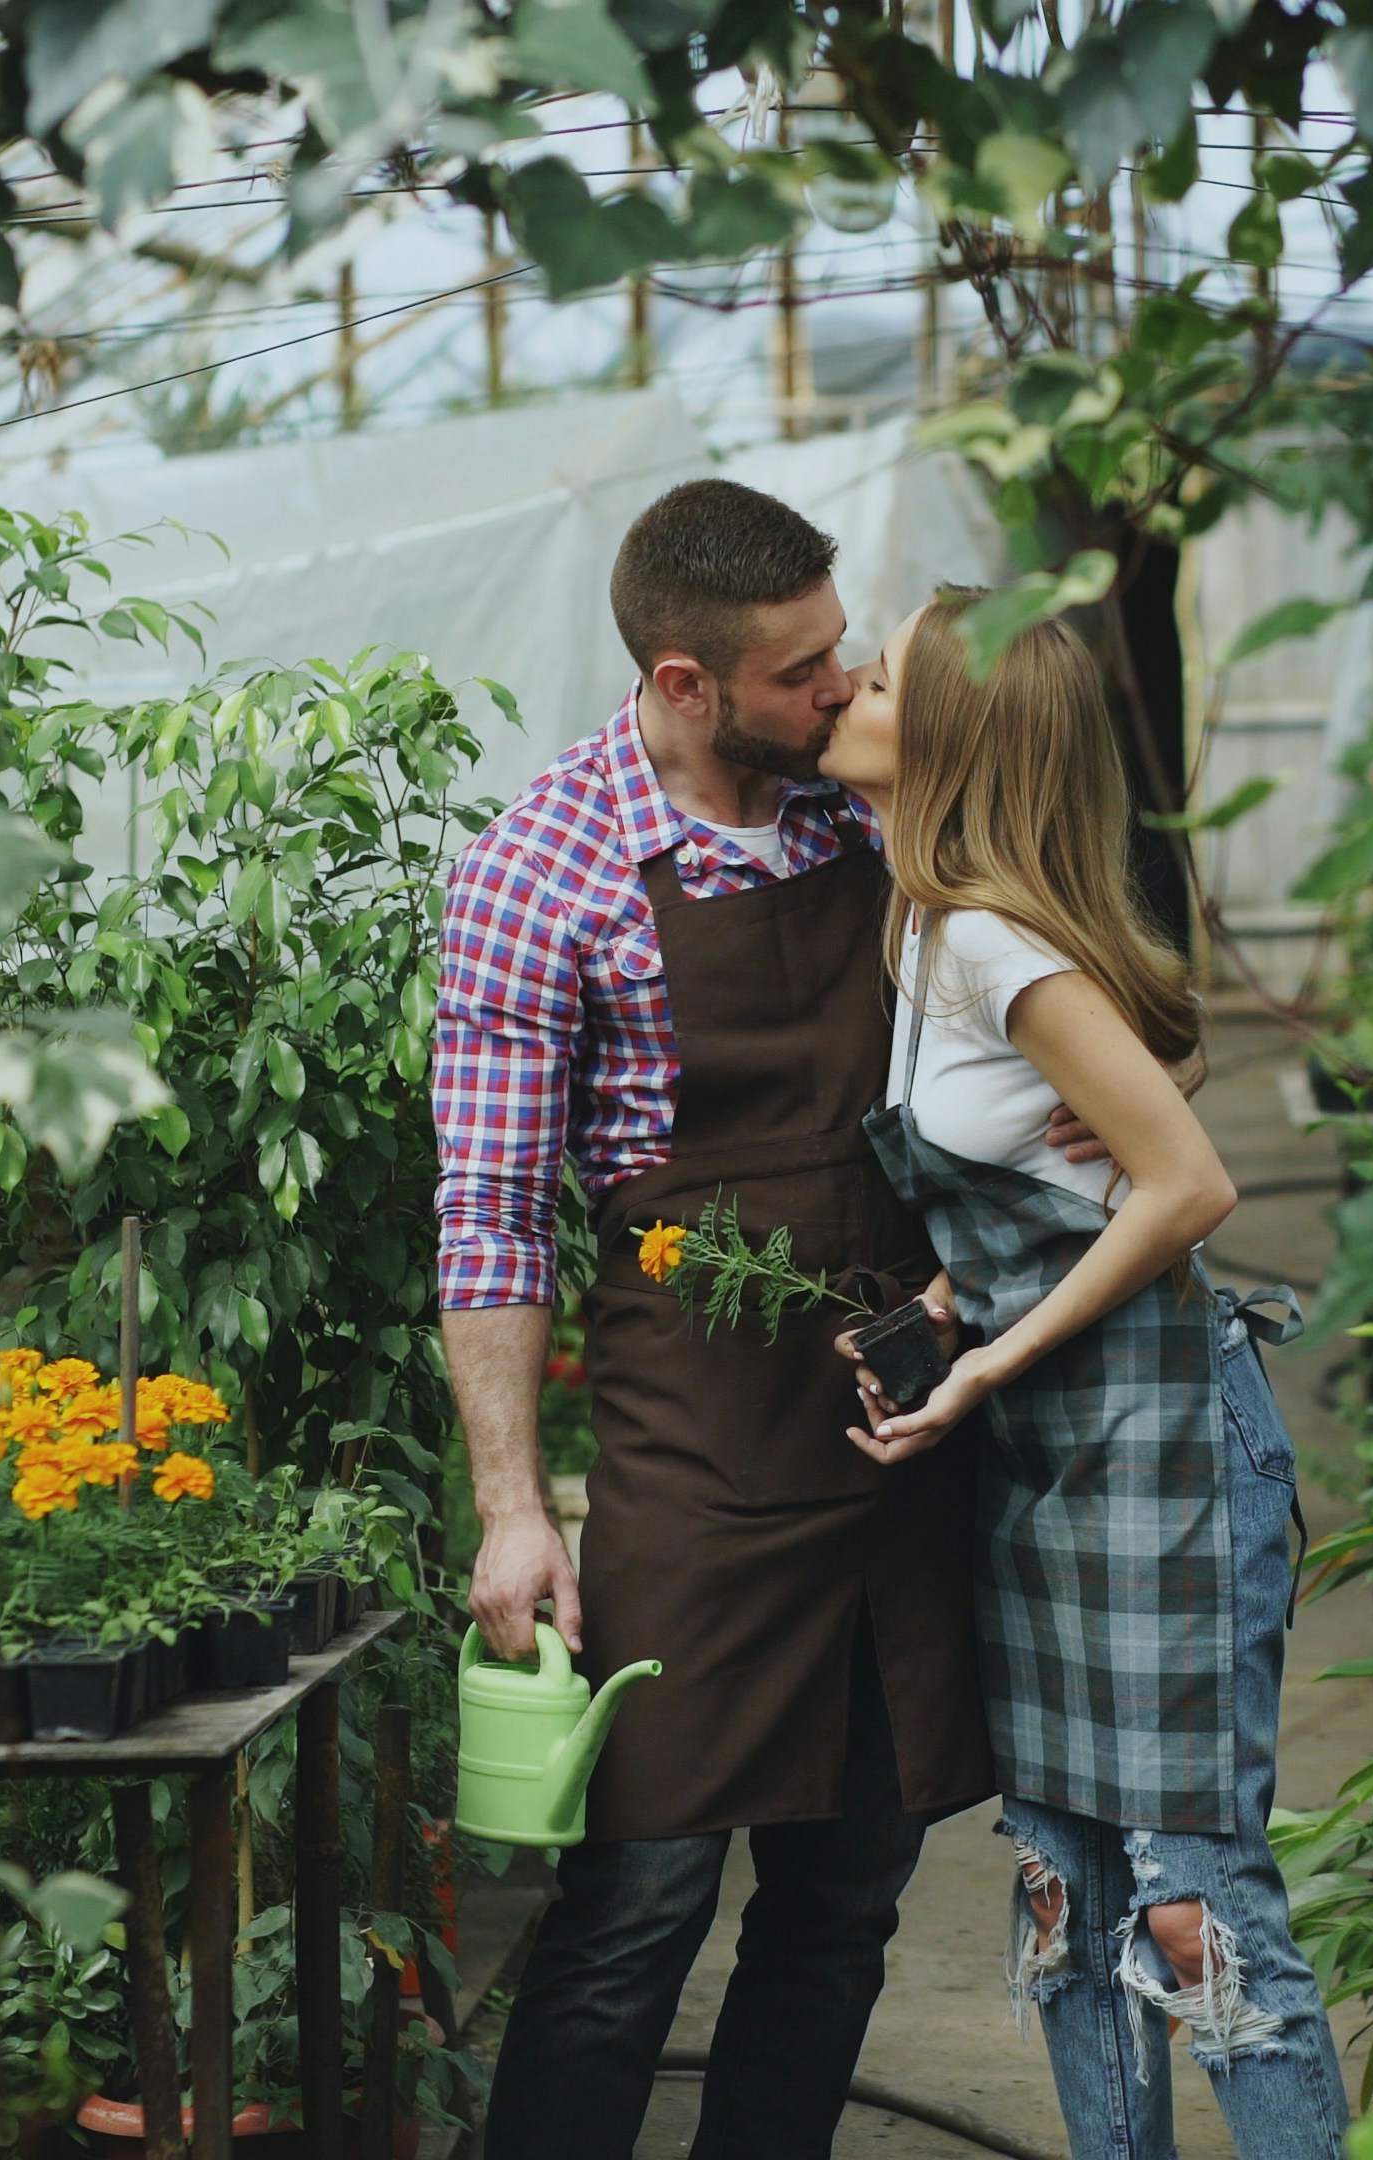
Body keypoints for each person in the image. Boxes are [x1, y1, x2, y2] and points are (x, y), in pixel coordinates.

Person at [432, 480, 999, 2160]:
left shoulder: (867, 818)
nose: (845, 692)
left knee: (846, 1907)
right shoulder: (545, 873)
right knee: (635, 1911)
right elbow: (491, 1224)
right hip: (697, 1465)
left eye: (846, 656)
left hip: (899, 1437)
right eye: (805, 673)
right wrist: (517, 1511)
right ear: (685, 682)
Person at [816, 587, 1349, 2159]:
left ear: (956, 734)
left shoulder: (986, 939)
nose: (850, 685)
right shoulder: (919, 914)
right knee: (1063, 1879)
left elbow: (1187, 1183)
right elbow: (1042, 1200)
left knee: (1195, 1899)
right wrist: (932, 1318)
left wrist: (986, 1367)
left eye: (886, 676)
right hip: (1059, 1465)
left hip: (1166, 1443)